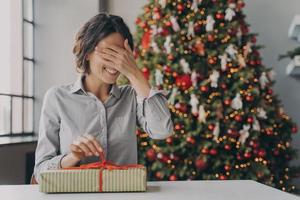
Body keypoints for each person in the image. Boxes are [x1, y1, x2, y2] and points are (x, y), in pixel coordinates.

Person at [33, 13, 174, 183]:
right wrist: (72, 157)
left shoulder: (131, 96)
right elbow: (40, 172)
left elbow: (162, 130)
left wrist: (134, 72)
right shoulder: (57, 98)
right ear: (87, 53)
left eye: (122, 55)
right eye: (109, 53)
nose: (116, 63)